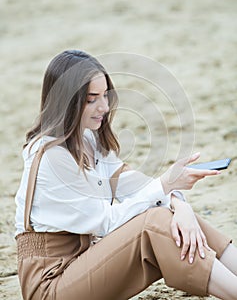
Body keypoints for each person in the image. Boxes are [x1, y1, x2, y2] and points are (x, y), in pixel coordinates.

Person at [15, 50, 237, 300]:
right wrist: (165, 186)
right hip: (50, 285)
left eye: (105, 96)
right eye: (91, 99)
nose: (104, 107)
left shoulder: (86, 138)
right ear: (68, 103)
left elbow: (134, 185)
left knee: (179, 222)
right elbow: (108, 222)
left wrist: (179, 204)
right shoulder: (51, 158)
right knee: (154, 224)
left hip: (82, 263)